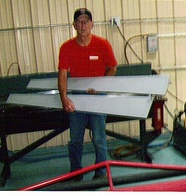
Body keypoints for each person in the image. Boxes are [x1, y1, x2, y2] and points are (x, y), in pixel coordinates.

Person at [58, 8, 118, 180]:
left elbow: (113, 68)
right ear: (74, 25)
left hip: (98, 97)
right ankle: (76, 172)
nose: (83, 25)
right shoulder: (66, 48)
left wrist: (100, 85)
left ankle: (101, 172)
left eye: (86, 21)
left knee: (99, 138)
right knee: (75, 140)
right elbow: (62, 73)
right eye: (79, 21)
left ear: (92, 24)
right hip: (77, 97)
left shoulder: (102, 44)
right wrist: (64, 98)